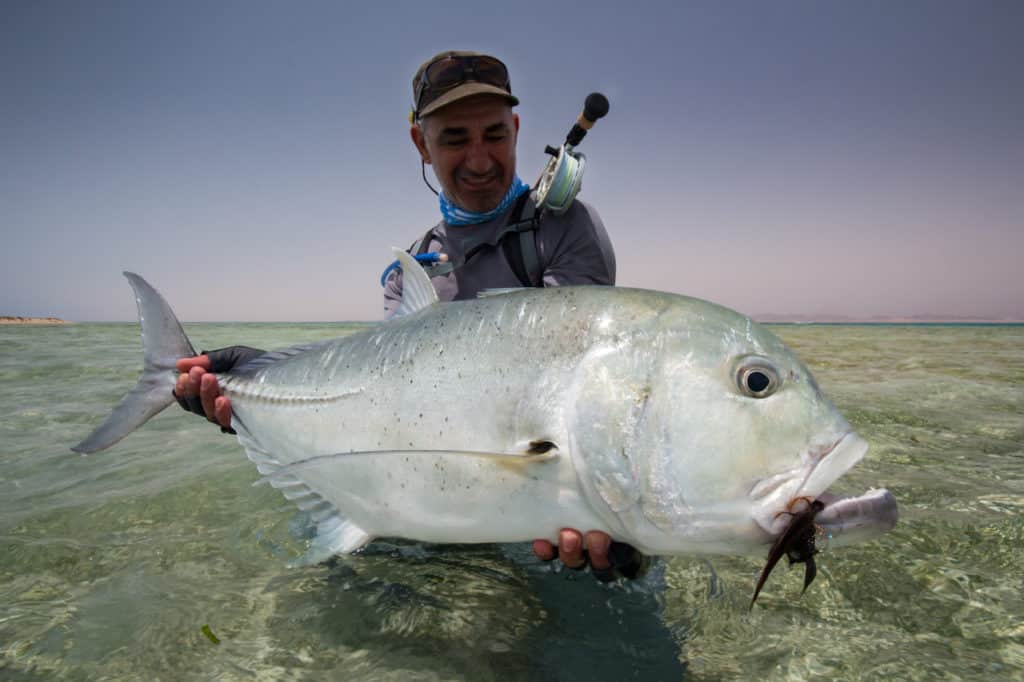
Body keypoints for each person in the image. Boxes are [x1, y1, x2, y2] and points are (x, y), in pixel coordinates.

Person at [174, 50, 643, 582]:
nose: (480, 161)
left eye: (494, 135)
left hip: (526, 515)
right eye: (454, 140)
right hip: (426, 505)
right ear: (421, 144)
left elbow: (576, 382)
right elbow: (383, 404)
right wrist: (257, 388)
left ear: (515, 130)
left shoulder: (562, 229)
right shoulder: (410, 271)